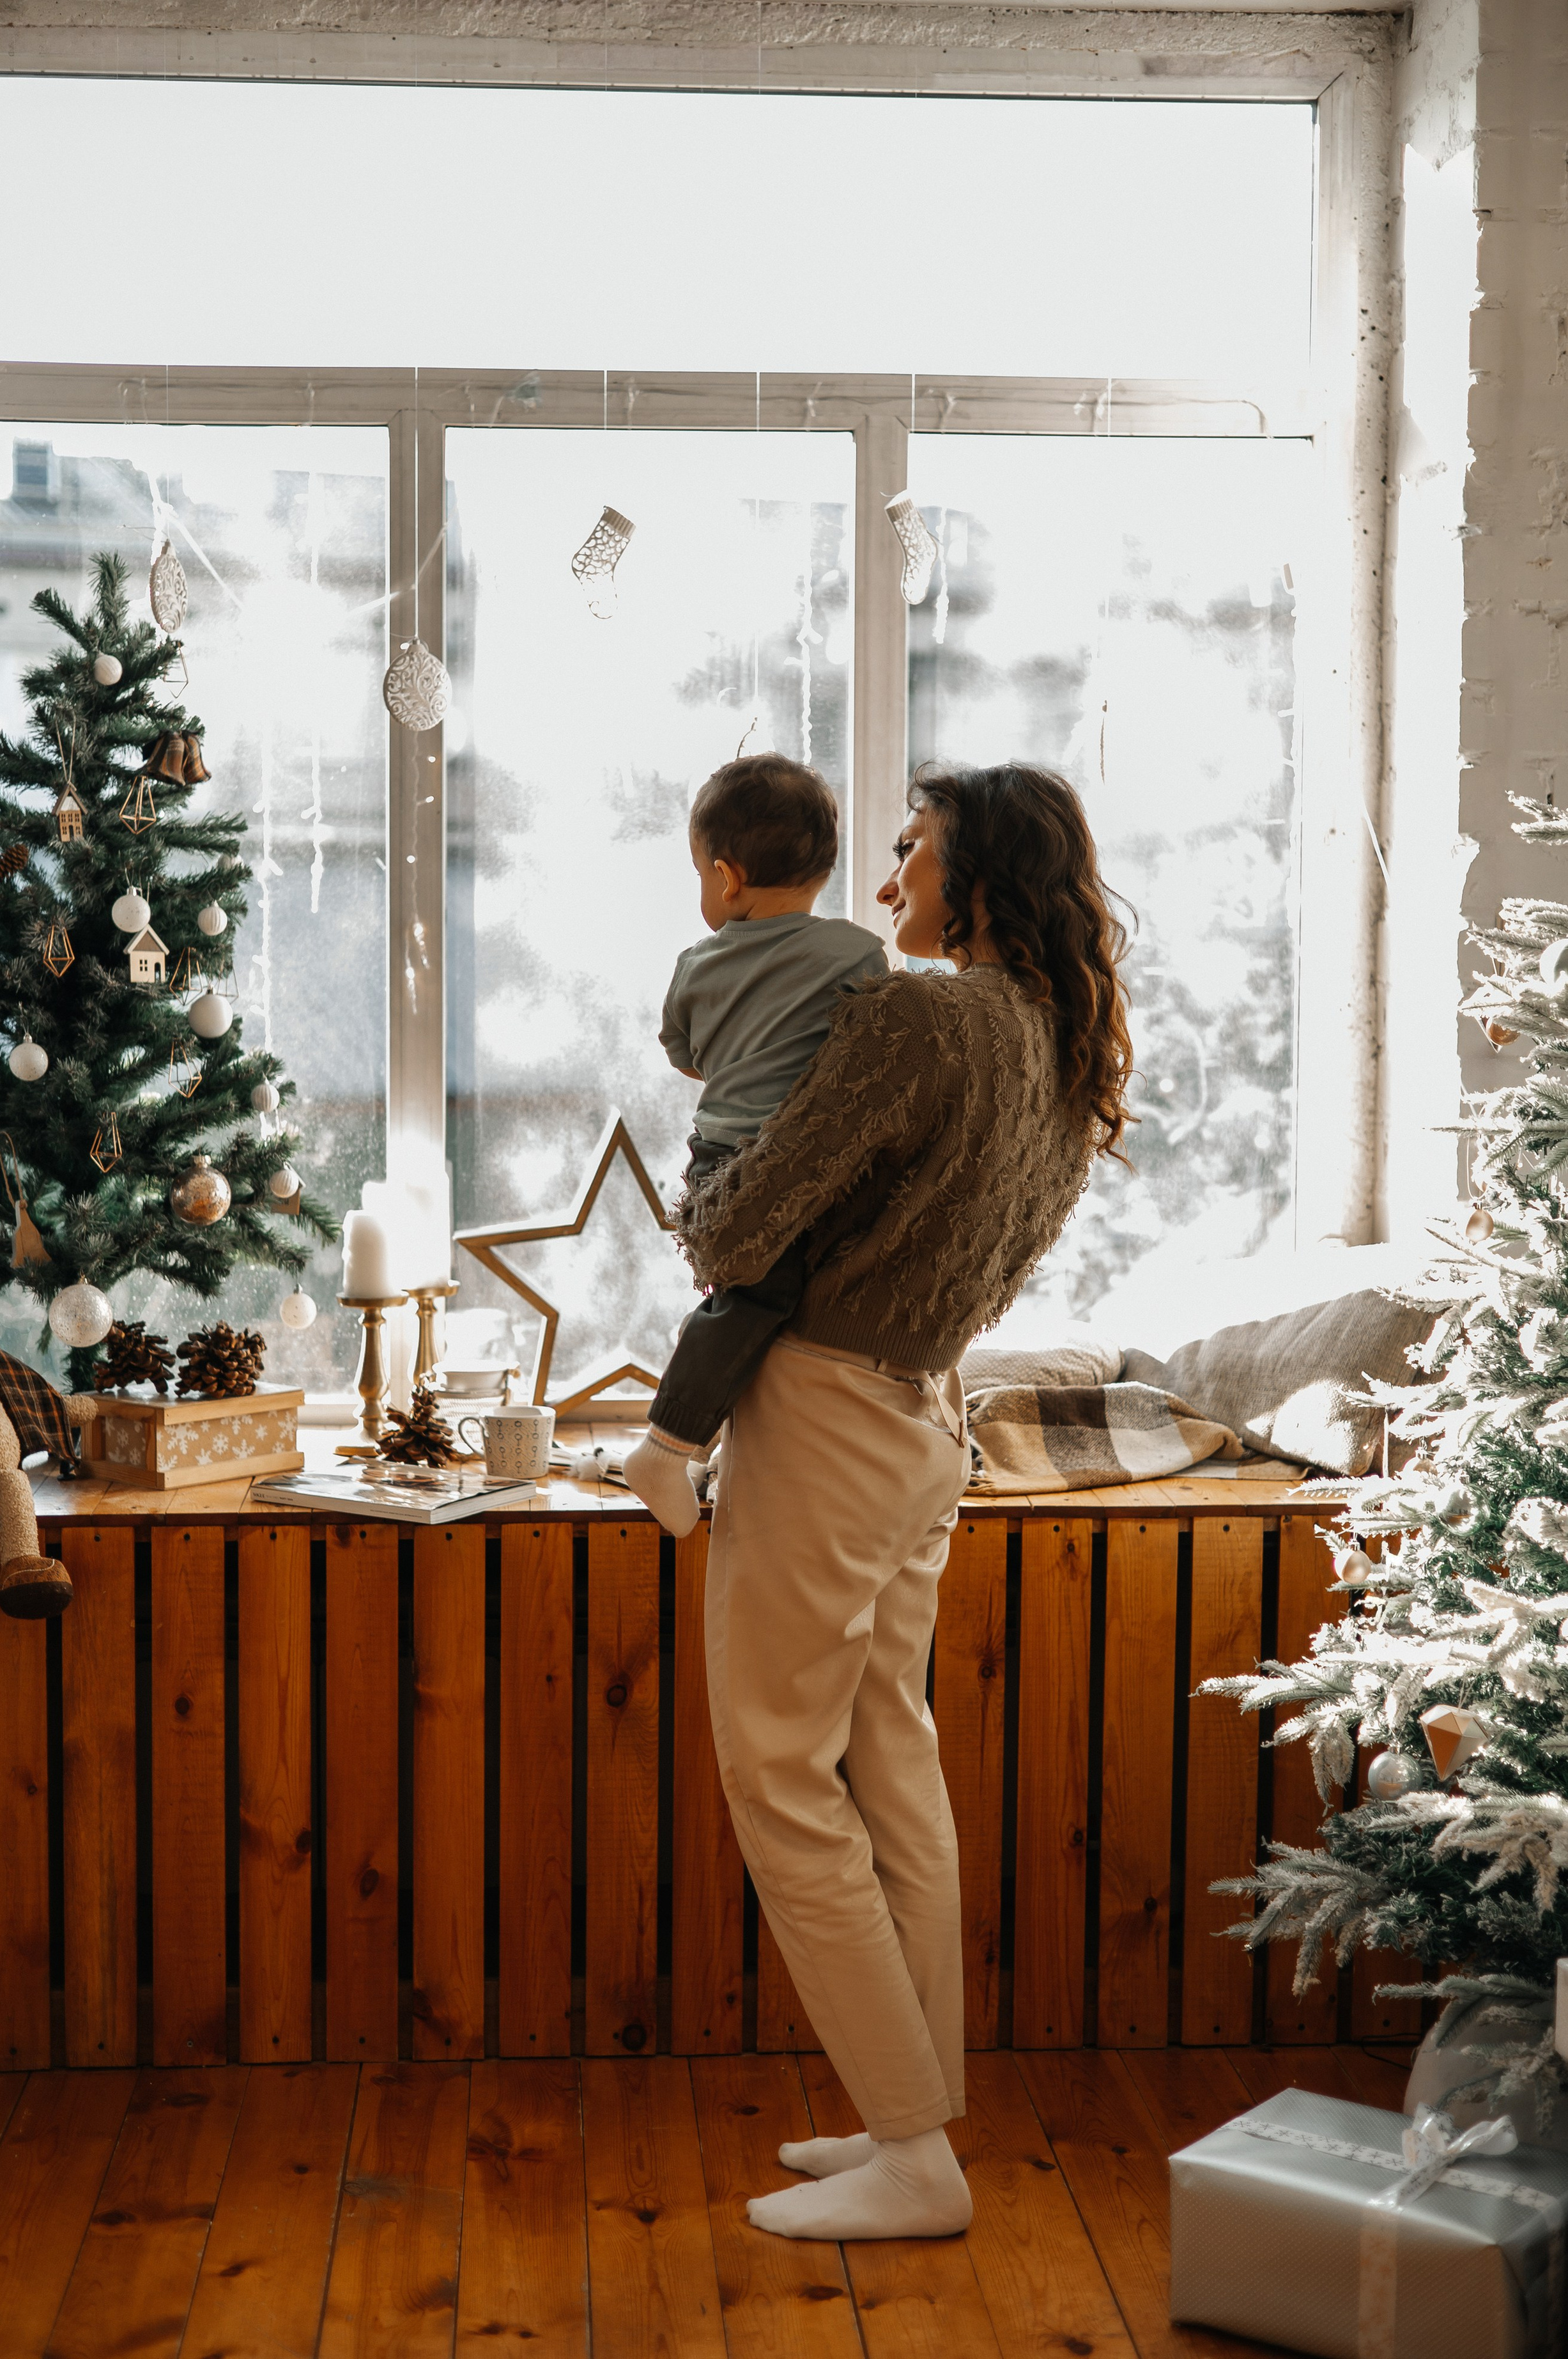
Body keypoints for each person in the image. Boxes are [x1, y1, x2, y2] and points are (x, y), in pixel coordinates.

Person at [673, 760, 1135, 2241]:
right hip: (926, 1407)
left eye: (909, 852)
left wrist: (700, 1188)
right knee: (889, 1759)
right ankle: (913, 2114)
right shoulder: (1055, 1038)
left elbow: (736, 1227)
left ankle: (909, 2151)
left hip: (823, 1409)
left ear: (978, 872)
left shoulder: (914, 1016)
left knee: (778, 1776)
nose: (882, 887)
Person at [622, 752, 888, 1538]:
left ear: (727, 878)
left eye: (700, 874)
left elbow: (685, 1054)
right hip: (787, 1168)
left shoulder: (697, 963)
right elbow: (870, 1048)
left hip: (720, 1161)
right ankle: (667, 1445)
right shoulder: (855, 953)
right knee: (757, 1297)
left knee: (753, 1297)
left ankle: (680, 1441)